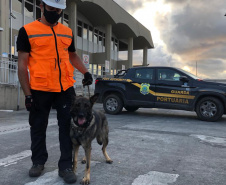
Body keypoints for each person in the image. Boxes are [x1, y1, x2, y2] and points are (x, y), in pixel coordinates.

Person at [17, 0, 92, 183]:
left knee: (67, 128)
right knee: (38, 126)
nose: (55, 13)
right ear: (41, 6)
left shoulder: (67, 32)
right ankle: (38, 162)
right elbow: (21, 65)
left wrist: (85, 71)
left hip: (65, 88)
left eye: (59, 10)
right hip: (40, 88)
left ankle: (66, 166)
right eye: (51, 9)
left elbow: (72, 55)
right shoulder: (27, 31)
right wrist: (27, 94)